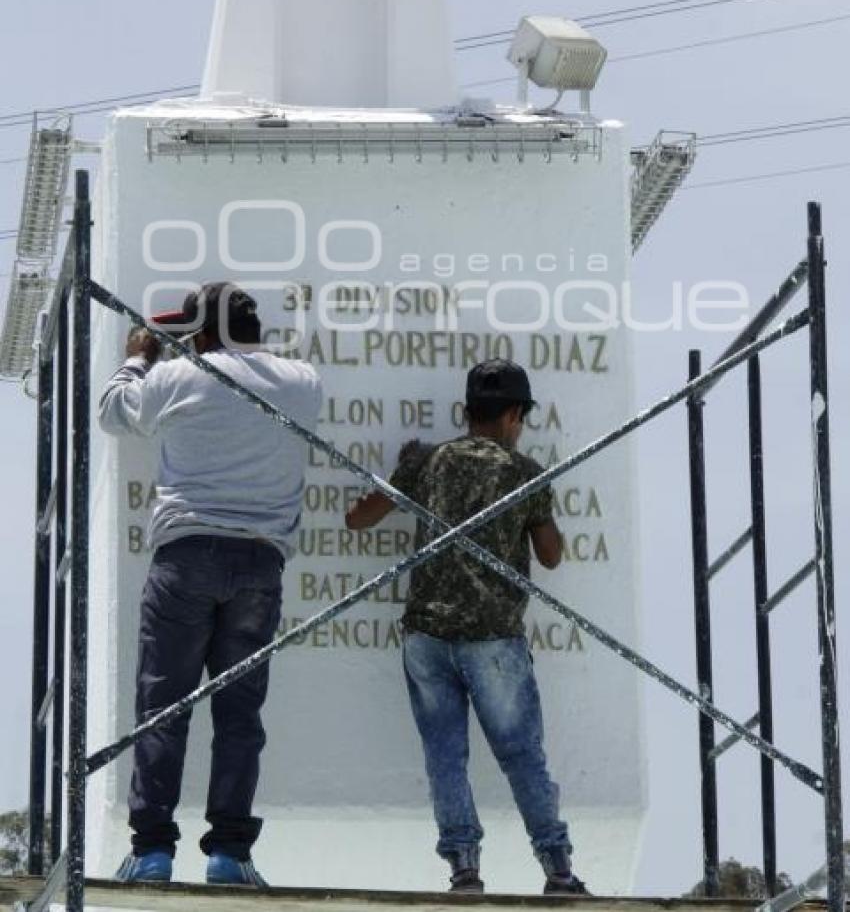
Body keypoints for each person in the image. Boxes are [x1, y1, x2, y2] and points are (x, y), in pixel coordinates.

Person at [99, 281, 322, 887]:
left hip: (186, 557)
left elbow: (113, 413)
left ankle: (152, 853)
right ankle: (228, 854)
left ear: (202, 333)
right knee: (240, 715)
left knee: (162, 708)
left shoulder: (180, 375)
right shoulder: (302, 382)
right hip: (259, 564)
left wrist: (140, 356)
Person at [346, 359, 586, 897]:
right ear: (515, 415)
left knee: (445, 755)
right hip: (493, 636)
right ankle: (558, 870)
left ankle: (464, 870)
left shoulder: (427, 461)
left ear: (466, 412)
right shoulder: (523, 472)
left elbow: (359, 518)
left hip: (427, 636)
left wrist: (404, 467)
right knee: (522, 755)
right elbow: (550, 556)